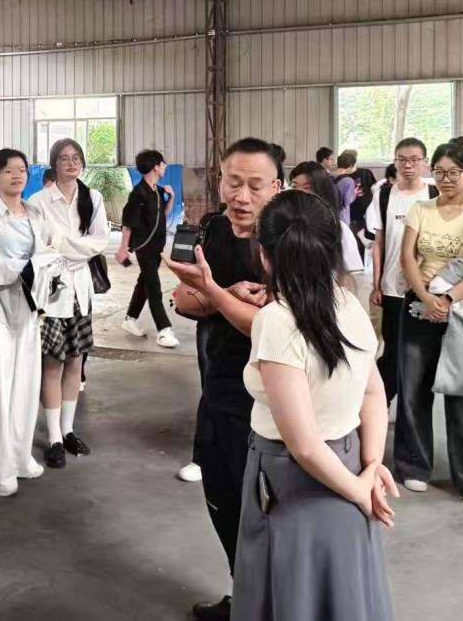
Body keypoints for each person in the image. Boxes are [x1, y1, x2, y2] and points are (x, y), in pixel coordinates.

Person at [232, 190, 396, 621]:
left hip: (292, 481)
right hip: (349, 463)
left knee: (290, 595)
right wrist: (370, 467)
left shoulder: (276, 322)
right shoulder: (348, 303)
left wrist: (359, 488)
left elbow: (304, 446)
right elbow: (373, 392)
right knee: (345, 594)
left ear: (265, 255)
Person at [163, 138, 281, 621]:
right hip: (217, 394)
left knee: (270, 515)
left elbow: (281, 326)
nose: (242, 197)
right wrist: (222, 295)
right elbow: (182, 300)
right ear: (220, 182)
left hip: (273, 407)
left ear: (276, 187)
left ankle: (276, 604)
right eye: (234, 183)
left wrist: (219, 298)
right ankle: (245, 597)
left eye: (255, 185)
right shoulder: (208, 230)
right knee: (224, 504)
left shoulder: (289, 240)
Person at [394, 136, 463, 500]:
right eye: (439, 172)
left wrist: (448, 299)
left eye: (453, 172)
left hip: (461, 311)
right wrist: (426, 298)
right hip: (419, 307)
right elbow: (407, 257)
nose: (446, 179)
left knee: (462, 393)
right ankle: (413, 465)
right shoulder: (421, 210)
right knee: (412, 389)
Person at [0, 149, 61, 496]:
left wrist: (45, 270)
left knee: (25, 387)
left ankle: (19, 457)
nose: (17, 175)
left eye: (22, 169)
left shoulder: (35, 214)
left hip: (28, 310)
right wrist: (17, 268)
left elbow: (46, 255)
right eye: (8, 171)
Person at [27, 139, 110, 468]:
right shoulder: (38, 201)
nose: (71, 163)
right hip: (51, 292)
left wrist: (62, 244)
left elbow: (99, 242)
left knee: (75, 361)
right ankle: (54, 438)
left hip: (80, 290)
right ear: (54, 165)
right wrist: (72, 248)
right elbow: (39, 248)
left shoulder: (93, 198)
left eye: (76, 158)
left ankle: (68, 429)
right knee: (52, 364)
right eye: (64, 159)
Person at [366, 138, 435, 405]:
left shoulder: (434, 195)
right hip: (392, 288)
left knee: (419, 353)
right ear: (395, 162)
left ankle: (411, 411)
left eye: (414, 160)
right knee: (393, 350)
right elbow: (378, 243)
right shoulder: (384, 195)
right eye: (402, 160)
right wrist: (376, 285)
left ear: (425, 162)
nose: (408, 165)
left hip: (426, 290)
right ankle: (378, 404)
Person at [117, 149, 178, 348]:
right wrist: (123, 248)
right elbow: (128, 223)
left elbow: (163, 215)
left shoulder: (157, 191)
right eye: (162, 163)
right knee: (154, 287)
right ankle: (163, 330)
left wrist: (171, 197)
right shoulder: (139, 193)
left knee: (144, 283)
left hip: (157, 247)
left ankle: (130, 319)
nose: (165, 166)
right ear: (155, 167)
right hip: (144, 247)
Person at [287, 162, 363, 274]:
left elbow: (352, 273)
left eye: (307, 188)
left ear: (321, 191)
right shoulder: (283, 224)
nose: (298, 193)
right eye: (294, 187)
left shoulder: (338, 230)